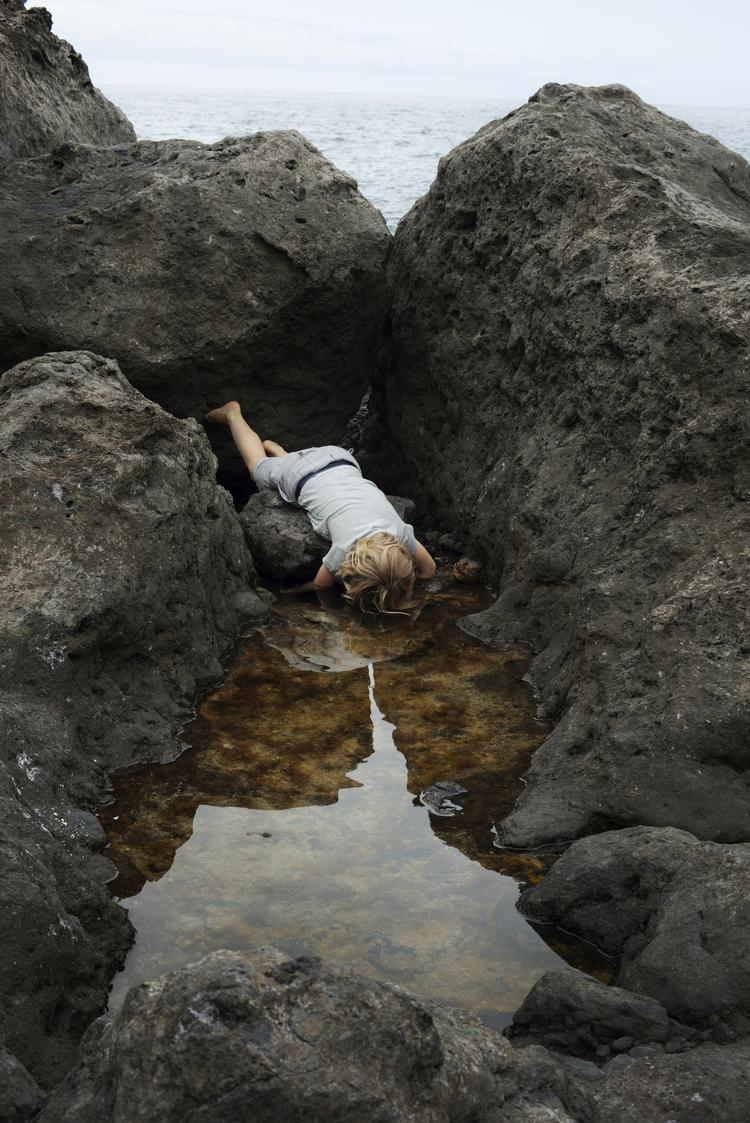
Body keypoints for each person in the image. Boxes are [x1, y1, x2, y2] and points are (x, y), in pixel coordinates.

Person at [205, 401, 436, 613]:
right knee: (256, 466)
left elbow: (428, 569)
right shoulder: (344, 551)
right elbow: (320, 585)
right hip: (299, 475)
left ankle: (281, 454)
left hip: (341, 460)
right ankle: (233, 414)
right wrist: (314, 604)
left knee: (322, 482)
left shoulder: (401, 535)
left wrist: (402, 580)